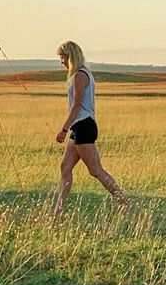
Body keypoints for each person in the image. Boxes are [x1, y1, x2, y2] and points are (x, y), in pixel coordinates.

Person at [52, 41, 130, 213]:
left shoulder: (80, 75)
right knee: (65, 167)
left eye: (63, 58)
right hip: (79, 127)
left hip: (84, 126)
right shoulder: (80, 74)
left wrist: (64, 129)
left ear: (70, 57)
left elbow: (77, 105)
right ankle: (58, 209)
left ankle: (124, 201)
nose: (61, 62)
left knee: (95, 170)